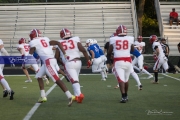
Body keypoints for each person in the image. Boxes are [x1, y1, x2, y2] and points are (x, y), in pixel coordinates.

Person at [28, 28, 74, 106]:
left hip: (48, 62)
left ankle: (70, 96)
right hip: (50, 60)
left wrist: (27, 59)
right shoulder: (45, 39)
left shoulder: (33, 42)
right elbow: (58, 43)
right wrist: (64, 53)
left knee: (56, 79)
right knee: (39, 76)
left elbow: (30, 53)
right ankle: (43, 96)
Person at [56, 28, 91, 103]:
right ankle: (76, 95)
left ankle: (79, 94)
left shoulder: (59, 42)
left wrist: (62, 63)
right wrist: (88, 60)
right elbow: (83, 50)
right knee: (75, 79)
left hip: (69, 63)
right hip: (78, 62)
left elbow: (56, 57)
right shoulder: (75, 39)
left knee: (74, 80)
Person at [107, 25, 134, 103]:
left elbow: (109, 52)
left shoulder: (113, 39)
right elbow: (132, 50)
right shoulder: (130, 38)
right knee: (126, 79)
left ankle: (123, 96)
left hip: (118, 61)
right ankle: (126, 95)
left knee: (121, 79)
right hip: (128, 61)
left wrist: (109, 58)